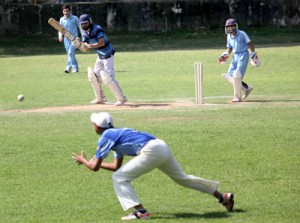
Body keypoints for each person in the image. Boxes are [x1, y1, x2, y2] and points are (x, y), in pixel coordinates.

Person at [72, 112, 235, 221]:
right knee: (183, 179)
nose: (93, 125)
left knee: (119, 178)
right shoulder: (116, 135)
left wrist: (84, 160)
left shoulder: (106, 136)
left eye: (93, 123)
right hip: (160, 146)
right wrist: (92, 163)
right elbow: (115, 166)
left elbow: (94, 167)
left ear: (98, 127)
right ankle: (223, 198)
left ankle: (141, 212)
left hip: (151, 150)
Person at [79, 14, 127, 106]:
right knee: (94, 76)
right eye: (82, 24)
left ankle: (121, 98)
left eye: (85, 23)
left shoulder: (97, 29)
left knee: (109, 78)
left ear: (89, 21)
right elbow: (84, 43)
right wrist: (81, 45)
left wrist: (91, 46)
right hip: (100, 56)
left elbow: (101, 43)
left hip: (108, 55)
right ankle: (100, 98)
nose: (84, 25)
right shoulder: (85, 32)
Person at [218, 18, 260, 102]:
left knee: (237, 76)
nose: (230, 29)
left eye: (231, 27)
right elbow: (229, 48)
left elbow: (250, 43)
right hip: (235, 56)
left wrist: (253, 54)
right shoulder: (229, 36)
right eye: (228, 27)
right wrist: (225, 55)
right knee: (229, 75)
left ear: (235, 26)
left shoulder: (242, 34)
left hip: (243, 55)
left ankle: (237, 97)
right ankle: (246, 88)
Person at [59, 5, 82, 73]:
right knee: (70, 54)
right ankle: (76, 67)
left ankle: (68, 67)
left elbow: (80, 27)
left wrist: (83, 37)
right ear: (62, 11)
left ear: (70, 11)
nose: (65, 12)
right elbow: (60, 29)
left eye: (67, 11)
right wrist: (60, 36)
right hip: (66, 39)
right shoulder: (61, 19)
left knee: (70, 52)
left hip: (75, 38)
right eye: (64, 11)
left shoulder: (75, 18)